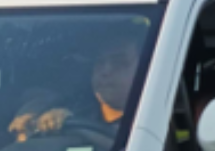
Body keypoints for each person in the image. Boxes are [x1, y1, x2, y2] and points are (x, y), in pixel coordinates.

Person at [8, 33, 143, 142]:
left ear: (146, 68)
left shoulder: (153, 122)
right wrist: (32, 129)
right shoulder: (70, 113)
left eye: (119, 62)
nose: (105, 71)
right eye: (99, 62)